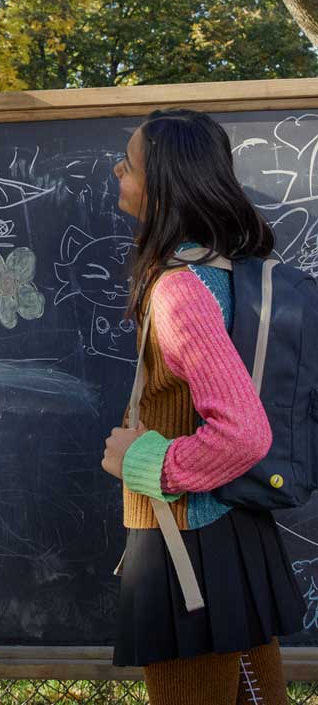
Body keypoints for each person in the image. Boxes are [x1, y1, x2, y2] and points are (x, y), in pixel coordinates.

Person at [103, 109, 304, 705]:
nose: (118, 169)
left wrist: (144, 461)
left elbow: (243, 434)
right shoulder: (224, 272)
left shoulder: (178, 289)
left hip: (187, 541)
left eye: (130, 163)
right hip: (229, 532)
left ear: (163, 186)